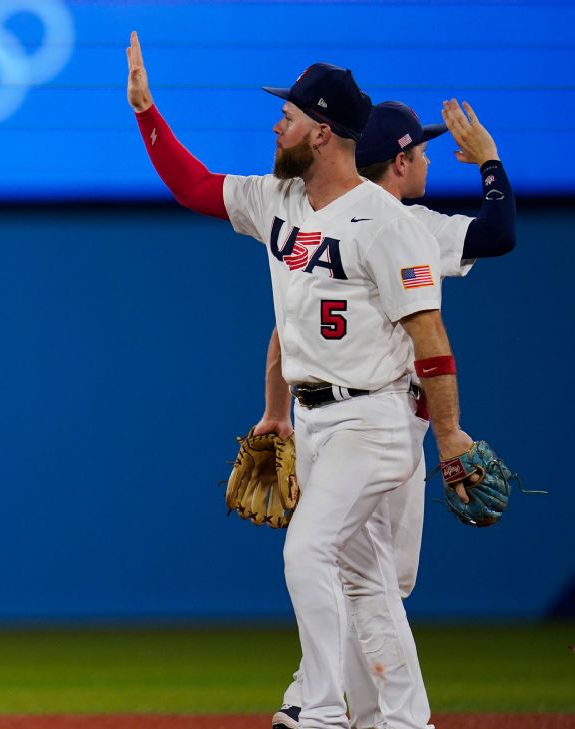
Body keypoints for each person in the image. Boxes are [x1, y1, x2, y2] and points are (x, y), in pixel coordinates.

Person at [126, 32, 479, 729]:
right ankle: (401, 718)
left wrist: (449, 435)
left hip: (374, 420)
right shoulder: (278, 200)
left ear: (322, 132)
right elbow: (194, 186)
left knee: (307, 549)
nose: (275, 123)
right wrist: (146, 112)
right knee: (364, 578)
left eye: (286, 115)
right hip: (317, 422)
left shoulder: (386, 224)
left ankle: (317, 709)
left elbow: (431, 341)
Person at [266, 99, 517, 729]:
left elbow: (281, 333)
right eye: (422, 151)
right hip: (378, 421)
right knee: (365, 574)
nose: (428, 159)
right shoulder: (407, 226)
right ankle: (346, 706)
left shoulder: (358, 221)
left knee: (371, 574)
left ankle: (337, 703)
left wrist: (275, 408)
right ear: (400, 161)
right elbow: (498, 231)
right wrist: (488, 160)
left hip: (359, 418)